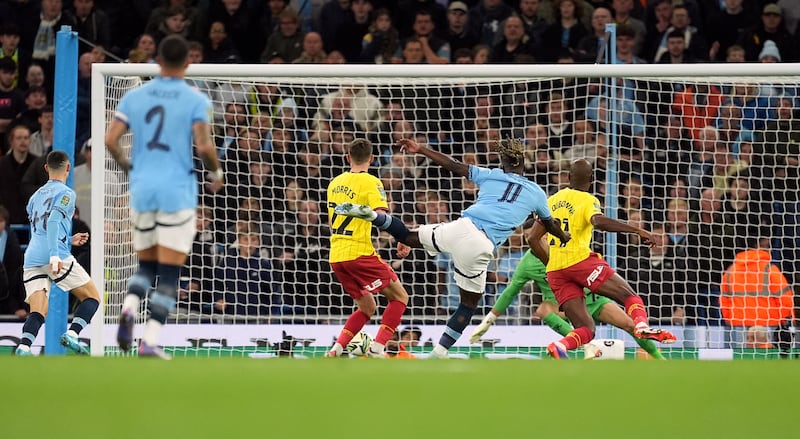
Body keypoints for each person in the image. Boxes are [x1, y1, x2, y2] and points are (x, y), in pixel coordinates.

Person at [335, 137, 571, 358]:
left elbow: (454, 165)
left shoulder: (491, 175)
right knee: (468, 304)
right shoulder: (537, 193)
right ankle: (438, 352)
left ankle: (374, 217)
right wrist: (563, 236)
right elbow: (549, 224)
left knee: (407, 237)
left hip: (461, 226)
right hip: (480, 244)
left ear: (503, 163)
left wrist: (421, 149)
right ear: (524, 163)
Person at [104, 35, 223, 359]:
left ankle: (129, 307)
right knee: (169, 272)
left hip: (142, 189)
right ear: (187, 64)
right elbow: (204, 147)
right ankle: (150, 341)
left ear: (157, 61)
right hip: (177, 193)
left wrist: (129, 167)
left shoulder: (135, 96)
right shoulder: (194, 98)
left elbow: (111, 139)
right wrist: (216, 173)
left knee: (145, 265)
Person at [526, 159, 676, 358]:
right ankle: (641, 325)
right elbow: (597, 221)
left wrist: (551, 263)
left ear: (569, 178)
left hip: (556, 271)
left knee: (586, 329)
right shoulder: (589, 200)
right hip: (580, 261)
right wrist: (636, 229)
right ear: (591, 179)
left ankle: (559, 346)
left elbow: (532, 238)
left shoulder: (551, 200)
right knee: (630, 296)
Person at [469, 227, 665, 359]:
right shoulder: (527, 264)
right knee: (544, 309)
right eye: (534, 238)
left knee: (631, 325)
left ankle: (659, 358)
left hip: (594, 300)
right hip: (567, 306)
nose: (540, 240)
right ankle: (585, 346)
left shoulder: (566, 249)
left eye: (542, 235)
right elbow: (510, 292)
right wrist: (488, 321)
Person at [324, 138, 410, 358]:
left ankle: (337, 349)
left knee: (367, 307)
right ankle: (378, 347)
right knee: (400, 297)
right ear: (372, 158)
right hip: (359, 252)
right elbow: (381, 217)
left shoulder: (334, 183)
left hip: (336, 255)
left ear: (348, 157)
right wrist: (403, 237)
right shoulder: (372, 182)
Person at [14, 150, 99, 356]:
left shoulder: (34, 197)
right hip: (56, 256)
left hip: (33, 257)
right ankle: (72, 333)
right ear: (68, 168)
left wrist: (69, 240)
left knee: (38, 311)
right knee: (92, 298)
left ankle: (24, 347)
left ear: (46, 168)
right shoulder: (67, 193)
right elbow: (51, 221)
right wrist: (54, 255)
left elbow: (40, 230)